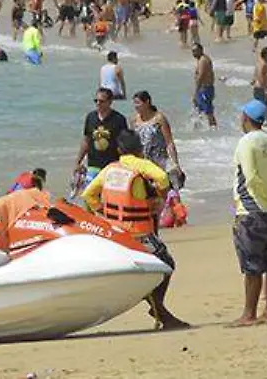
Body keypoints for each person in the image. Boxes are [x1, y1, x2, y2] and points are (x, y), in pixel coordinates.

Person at [81, 131, 189, 330]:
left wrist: (103, 211)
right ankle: (159, 309)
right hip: (138, 233)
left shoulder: (109, 169)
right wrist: (161, 196)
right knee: (167, 264)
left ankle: (157, 308)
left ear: (119, 150)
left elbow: (88, 195)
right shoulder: (141, 164)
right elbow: (162, 178)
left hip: (115, 233)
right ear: (139, 149)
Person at [229, 99, 267, 327]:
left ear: (246, 118)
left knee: (252, 265)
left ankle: (249, 314)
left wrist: (265, 200)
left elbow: (251, 177)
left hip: (251, 211)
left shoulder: (246, 142)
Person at [74, 88, 131, 190]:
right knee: (90, 193)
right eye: (96, 100)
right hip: (93, 165)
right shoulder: (90, 117)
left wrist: (126, 164)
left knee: (109, 194)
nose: (98, 103)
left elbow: (124, 144)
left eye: (101, 101)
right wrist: (78, 162)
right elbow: (86, 140)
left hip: (112, 165)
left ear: (110, 102)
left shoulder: (119, 119)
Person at [131, 90, 182, 173]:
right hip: (142, 163)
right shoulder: (134, 120)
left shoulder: (159, 119)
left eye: (138, 103)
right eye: (134, 103)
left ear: (147, 102)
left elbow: (169, 143)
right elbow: (133, 144)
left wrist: (176, 164)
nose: (135, 106)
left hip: (159, 161)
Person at [191, 44, 218, 128]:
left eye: (195, 51)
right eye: (192, 51)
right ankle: (198, 127)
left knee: (208, 111)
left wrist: (196, 92)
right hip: (203, 89)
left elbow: (201, 76)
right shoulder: (201, 59)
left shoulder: (203, 60)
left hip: (205, 89)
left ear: (201, 50)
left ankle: (213, 128)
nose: (193, 53)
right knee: (198, 109)